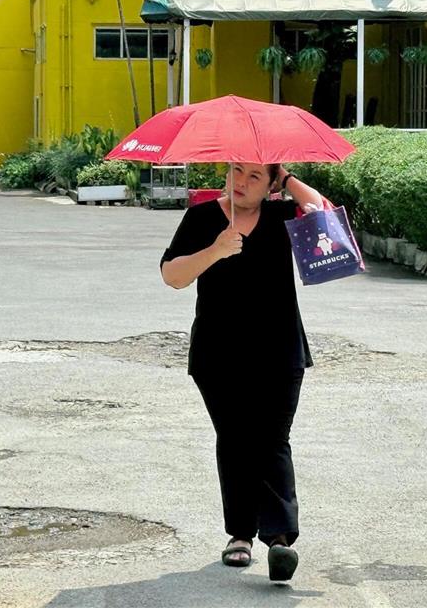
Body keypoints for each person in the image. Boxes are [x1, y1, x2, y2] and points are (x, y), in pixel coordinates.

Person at [160, 162, 323, 583]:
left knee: (272, 439)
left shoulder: (282, 215)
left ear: (271, 186)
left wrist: (287, 179)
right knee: (234, 439)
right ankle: (240, 536)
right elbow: (171, 275)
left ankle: (281, 540)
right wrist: (215, 250)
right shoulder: (202, 217)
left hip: (280, 349)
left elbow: (322, 213)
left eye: (254, 176)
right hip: (220, 353)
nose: (241, 182)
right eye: (236, 171)